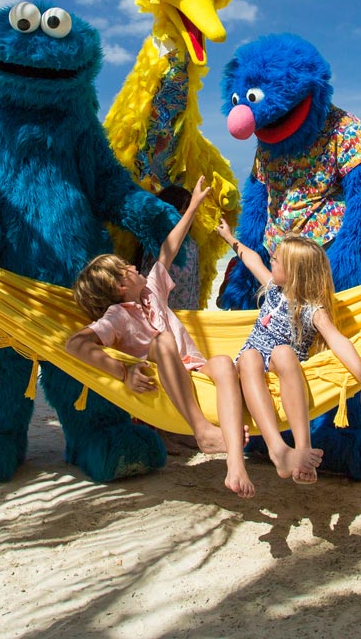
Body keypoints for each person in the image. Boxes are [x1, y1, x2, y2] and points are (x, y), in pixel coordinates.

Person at [67, 176, 237, 458]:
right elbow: (75, 344)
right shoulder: (117, 316)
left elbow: (167, 250)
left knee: (222, 362)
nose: (134, 266)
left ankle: (230, 435)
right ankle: (201, 429)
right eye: (126, 268)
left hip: (192, 371)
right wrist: (123, 372)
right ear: (121, 287)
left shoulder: (151, 291)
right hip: (160, 384)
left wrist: (193, 206)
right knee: (164, 341)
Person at [213, 218, 361, 492]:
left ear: (294, 271)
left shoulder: (312, 309)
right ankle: (277, 449)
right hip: (251, 369)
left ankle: (303, 450)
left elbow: (338, 341)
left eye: (278, 259)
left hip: (285, 369)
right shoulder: (272, 289)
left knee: (281, 352)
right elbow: (251, 258)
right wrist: (229, 238)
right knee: (249, 357)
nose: (272, 259)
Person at [133, 184, 202, 310]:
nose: (186, 219)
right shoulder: (154, 244)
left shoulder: (192, 244)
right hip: (158, 317)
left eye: (190, 214)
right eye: (182, 213)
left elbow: (195, 285)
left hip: (186, 317)